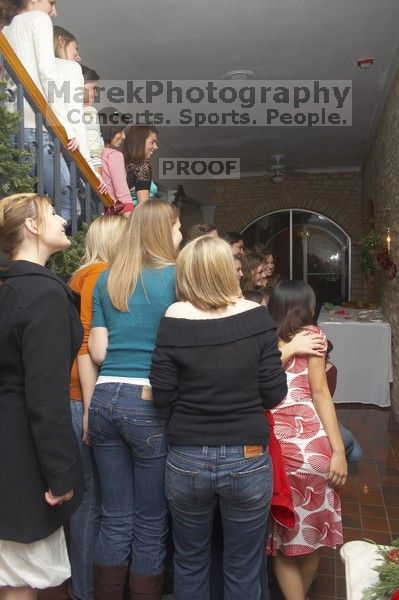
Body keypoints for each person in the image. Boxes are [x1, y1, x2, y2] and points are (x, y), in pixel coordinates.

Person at [149, 236, 288, 600]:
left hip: (187, 460)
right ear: (230, 271)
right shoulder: (257, 317)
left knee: (190, 559)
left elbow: (162, 395)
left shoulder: (173, 318)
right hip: (246, 457)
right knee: (243, 566)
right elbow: (275, 393)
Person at [88, 200, 182, 600]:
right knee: (149, 518)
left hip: (105, 396)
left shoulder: (107, 280)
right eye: (178, 227)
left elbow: (96, 350)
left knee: (114, 515)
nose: (181, 235)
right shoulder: (177, 278)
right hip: (149, 400)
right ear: (164, 231)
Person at [0, 192, 84, 600]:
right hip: (22, 461)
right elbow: (46, 398)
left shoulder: (11, 288)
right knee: (21, 580)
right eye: (53, 212)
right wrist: (61, 473)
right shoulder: (43, 295)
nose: (63, 219)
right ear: (32, 226)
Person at [267, 280, 347, 600]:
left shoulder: (261, 336)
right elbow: (320, 393)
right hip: (314, 446)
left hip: (277, 450)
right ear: (307, 306)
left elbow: (259, 380)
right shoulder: (315, 335)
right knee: (317, 530)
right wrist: (337, 450)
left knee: (283, 541)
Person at [68, 214, 126, 600]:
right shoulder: (99, 274)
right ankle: (86, 590)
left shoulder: (82, 274)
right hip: (81, 396)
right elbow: (88, 345)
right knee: (92, 501)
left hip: (76, 395)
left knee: (92, 498)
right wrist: (91, 411)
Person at [2, 0, 80, 222]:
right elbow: (47, 74)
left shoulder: (7, 29)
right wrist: (64, 125)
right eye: (52, 3)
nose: (54, 12)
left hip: (12, 128)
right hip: (36, 127)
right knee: (69, 208)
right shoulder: (38, 19)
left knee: (20, 210)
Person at [99, 108, 134, 215]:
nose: (123, 136)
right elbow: (123, 196)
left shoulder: (95, 154)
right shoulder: (114, 156)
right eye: (120, 131)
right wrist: (132, 225)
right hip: (113, 218)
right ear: (109, 129)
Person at [122, 125, 159, 205]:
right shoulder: (143, 166)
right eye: (152, 142)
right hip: (141, 216)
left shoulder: (128, 166)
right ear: (140, 142)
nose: (156, 147)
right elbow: (143, 206)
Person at [81, 66, 104, 174]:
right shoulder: (89, 112)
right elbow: (94, 153)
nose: (96, 93)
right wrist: (98, 181)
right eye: (93, 88)